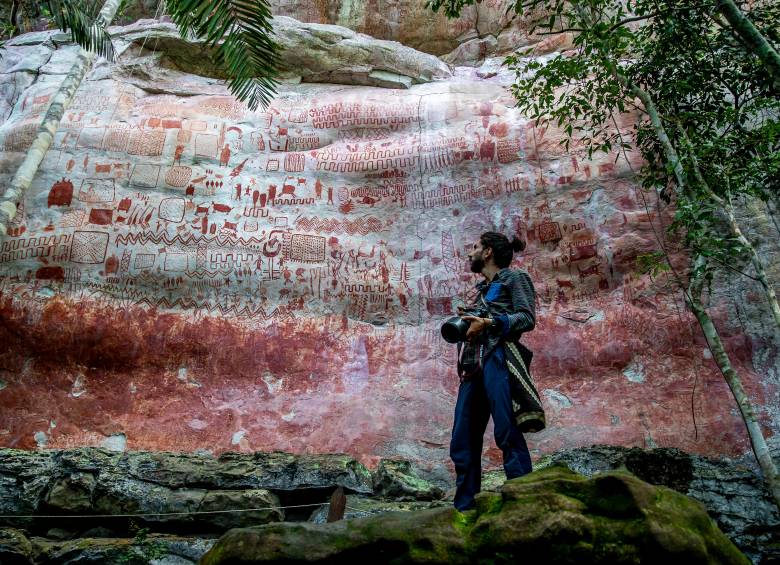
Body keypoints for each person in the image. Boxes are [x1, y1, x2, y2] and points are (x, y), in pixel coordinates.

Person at [450, 231, 545, 511]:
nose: (471, 253)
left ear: (488, 252)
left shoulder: (515, 279)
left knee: (506, 429)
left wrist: (489, 322)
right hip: (473, 366)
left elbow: (527, 318)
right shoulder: (480, 291)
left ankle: (522, 504)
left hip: (498, 358)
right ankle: (464, 510)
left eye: (475, 246)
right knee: (462, 439)